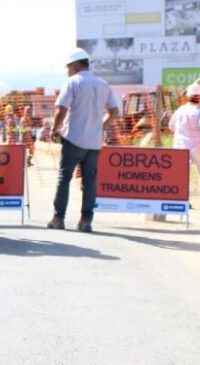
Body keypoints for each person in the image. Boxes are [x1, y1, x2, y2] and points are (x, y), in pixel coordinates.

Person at [48, 48, 119, 233]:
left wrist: (54, 129)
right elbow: (114, 111)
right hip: (94, 142)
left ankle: (58, 218)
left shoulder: (73, 82)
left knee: (64, 178)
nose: (67, 70)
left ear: (76, 65)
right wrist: (103, 126)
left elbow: (61, 109)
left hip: (74, 138)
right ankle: (86, 221)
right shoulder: (103, 84)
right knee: (90, 181)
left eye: (68, 66)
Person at [169, 83, 200, 206]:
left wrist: (182, 134)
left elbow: (171, 126)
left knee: (182, 174)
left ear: (188, 96)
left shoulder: (180, 110)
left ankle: (184, 200)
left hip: (180, 146)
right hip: (197, 146)